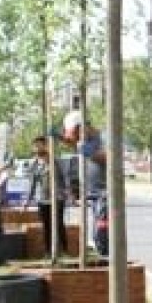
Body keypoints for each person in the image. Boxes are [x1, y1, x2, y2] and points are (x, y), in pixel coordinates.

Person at [60, 110, 109, 257]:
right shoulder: (85, 142)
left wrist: (87, 152)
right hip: (92, 194)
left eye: (76, 132)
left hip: (105, 193)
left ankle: (109, 265)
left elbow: (110, 157)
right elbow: (73, 143)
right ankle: (105, 258)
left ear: (83, 127)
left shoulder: (103, 138)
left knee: (102, 232)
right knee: (97, 234)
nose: (76, 138)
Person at [27, 134, 69, 258]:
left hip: (57, 198)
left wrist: (69, 193)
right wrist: (28, 200)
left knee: (59, 224)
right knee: (46, 226)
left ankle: (64, 250)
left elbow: (64, 178)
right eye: (35, 146)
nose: (37, 149)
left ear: (46, 146)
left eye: (39, 145)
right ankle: (48, 251)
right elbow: (32, 183)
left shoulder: (56, 161)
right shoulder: (34, 164)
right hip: (42, 200)